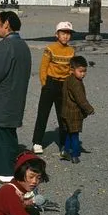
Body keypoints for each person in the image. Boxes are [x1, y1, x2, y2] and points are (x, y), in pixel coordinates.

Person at [0, 11, 32, 182]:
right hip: (14, 99)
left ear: (6, 24)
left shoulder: (5, 46)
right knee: (5, 135)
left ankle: (5, 171)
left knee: (0, 136)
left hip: (1, 100)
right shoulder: (23, 46)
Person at [30, 21, 75, 155]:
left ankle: (63, 144)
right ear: (57, 34)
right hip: (50, 83)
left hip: (64, 85)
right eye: (63, 33)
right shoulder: (50, 49)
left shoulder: (71, 51)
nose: (65, 36)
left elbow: (71, 69)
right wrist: (45, 83)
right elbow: (43, 67)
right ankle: (37, 142)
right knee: (43, 114)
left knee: (63, 116)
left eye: (68, 34)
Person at [59, 55, 94, 164]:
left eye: (84, 71)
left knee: (69, 133)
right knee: (75, 135)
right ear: (72, 70)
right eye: (81, 71)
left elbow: (64, 95)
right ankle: (74, 155)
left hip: (66, 111)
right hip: (74, 113)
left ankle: (65, 151)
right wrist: (89, 109)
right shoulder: (76, 83)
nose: (83, 74)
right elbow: (80, 99)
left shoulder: (68, 79)